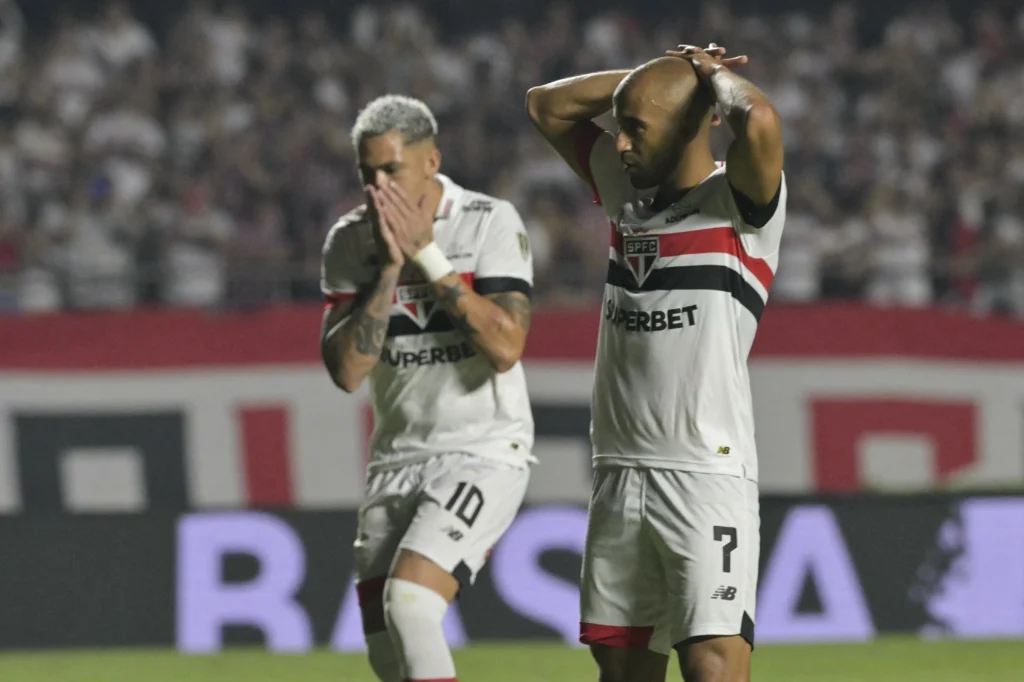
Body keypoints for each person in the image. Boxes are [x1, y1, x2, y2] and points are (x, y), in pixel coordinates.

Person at [527, 43, 785, 682]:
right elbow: (547, 105)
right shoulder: (626, 194)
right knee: (619, 672)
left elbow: (759, 123)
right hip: (618, 475)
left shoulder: (739, 206)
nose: (618, 144)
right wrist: (650, 83)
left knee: (713, 668)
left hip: (704, 475)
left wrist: (705, 77)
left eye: (636, 129)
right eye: (618, 128)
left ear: (692, 124)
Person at [320, 94, 535, 682]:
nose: (377, 187)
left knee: (410, 605)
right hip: (395, 461)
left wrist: (427, 255)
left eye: (391, 170)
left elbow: (506, 346)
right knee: (389, 655)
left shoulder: (489, 221)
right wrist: (389, 270)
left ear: (432, 161)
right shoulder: (350, 242)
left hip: (483, 451)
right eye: (368, 174)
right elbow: (347, 372)